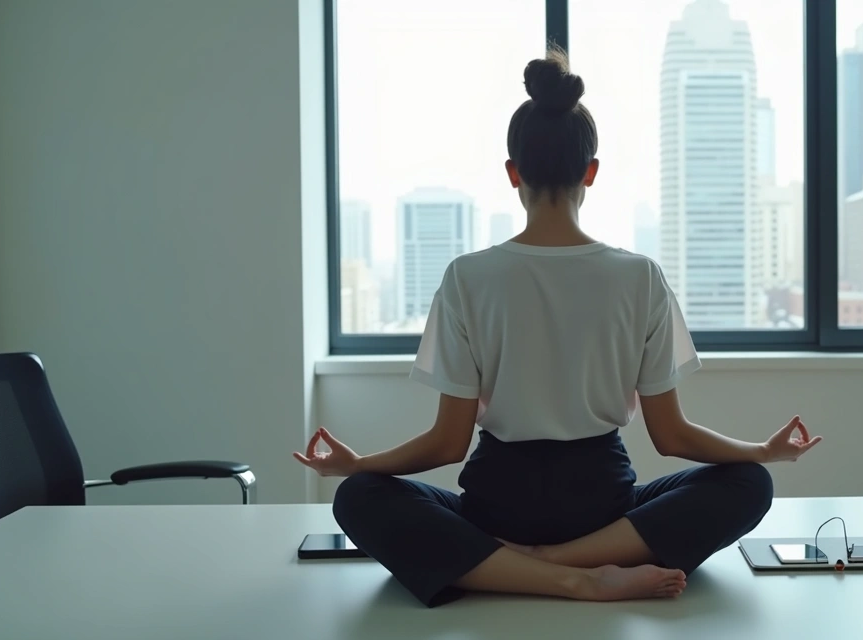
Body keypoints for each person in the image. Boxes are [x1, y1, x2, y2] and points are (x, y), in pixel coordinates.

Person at [294, 46, 822, 608]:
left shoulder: (467, 277)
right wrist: (760, 452)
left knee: (357, 498)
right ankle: (580, 569)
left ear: (512, 172)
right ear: (591, 172)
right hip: (603, 512)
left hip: (495, 510)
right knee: (747, 483)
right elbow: (672, 438)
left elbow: (448, 443)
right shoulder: (640, 276)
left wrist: (359, 465)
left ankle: (519, 567)